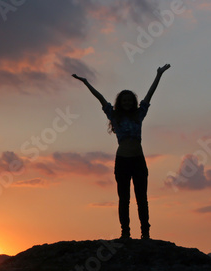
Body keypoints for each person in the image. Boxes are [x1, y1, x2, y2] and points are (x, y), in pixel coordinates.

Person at [72, 64, 170, 239]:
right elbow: (100, 98)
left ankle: (145, 233)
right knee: (124, 199)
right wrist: (86, 83)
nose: (126, 102)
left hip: (138, 160)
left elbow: (150, 94)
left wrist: (159, 74)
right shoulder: (114, 116)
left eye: (129, 100)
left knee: (142, 199)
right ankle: (125, 233)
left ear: (133, 102)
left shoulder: (139, 114)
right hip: (122, 161)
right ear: (120, 102)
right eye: (123, 100)